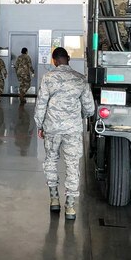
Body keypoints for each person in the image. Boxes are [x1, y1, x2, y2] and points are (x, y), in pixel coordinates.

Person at [33, 47, 95, 220]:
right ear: (68, 59)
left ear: (54, 61)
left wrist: (40, 125)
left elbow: (41, 104)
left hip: (52, 129)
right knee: (72, 165)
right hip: (73, 130)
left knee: (51, 161)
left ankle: (54, 199)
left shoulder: (48, 78)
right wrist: (78, 116)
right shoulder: (80, 79)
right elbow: (89, 108)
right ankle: (70, 207)